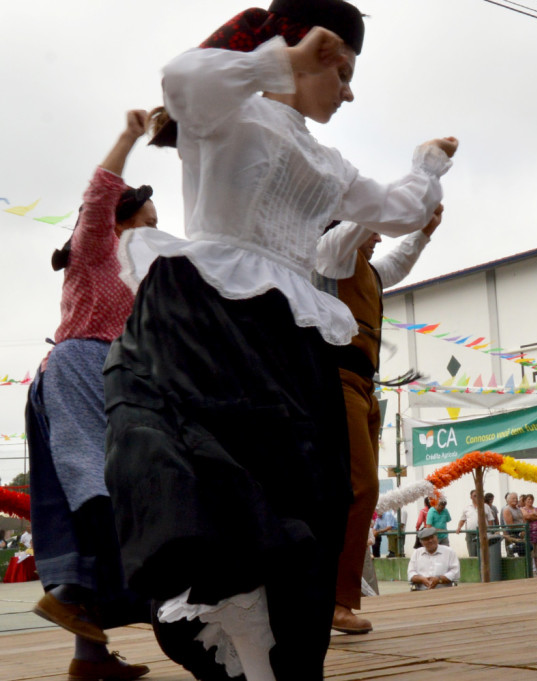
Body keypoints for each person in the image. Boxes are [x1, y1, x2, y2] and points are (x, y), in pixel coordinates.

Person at [104, 4, 459, 677]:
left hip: (289, 339)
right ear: (315, 52)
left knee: (308, 503)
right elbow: (182, 80)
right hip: (208, 316)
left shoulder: (329, 162)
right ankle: (226, 598)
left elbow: (400, 207)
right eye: (343, 72)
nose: (349, 90)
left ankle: (264, 641)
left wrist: (428, 163)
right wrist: (285, 59)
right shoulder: (229, 114)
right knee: (219, 476)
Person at [25, 111, 156, 681]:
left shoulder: (141, 278)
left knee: (105, 488)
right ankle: (75, 593)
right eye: (147, 222)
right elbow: (99, 193)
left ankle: (90, 656)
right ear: (119, 226)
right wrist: (128, 136)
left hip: (110, 378)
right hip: (78, 370)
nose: (156, 230)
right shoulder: (94, 251)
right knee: (98, 490)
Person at [314, 209, 443, 635]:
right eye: (372, 233)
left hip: (364, 390)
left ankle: (327, 598)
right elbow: (364, 223)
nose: (378, 241)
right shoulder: (332, 254)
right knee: (362, 487)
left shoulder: (366, 270)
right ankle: (336, 602)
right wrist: (395, 204)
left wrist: (423, 231)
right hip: (335, 383)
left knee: (353, 492)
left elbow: (398, 262)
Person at [520, 494, 537, 577]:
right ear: (525, 501)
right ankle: (530, 574)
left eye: (531, 499)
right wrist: (535, 515)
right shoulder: (522, 509)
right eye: (528, 499)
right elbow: (526, 516)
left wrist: (532, 515)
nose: (530, 501)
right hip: (529, 535)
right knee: (530, 555)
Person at [456, 490, 485, 558]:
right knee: (472, 555)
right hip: (470, 535)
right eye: (475, 496)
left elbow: (490, 520)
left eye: (478, 495)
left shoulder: (485, 507)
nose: (477, 497)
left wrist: (490, 530)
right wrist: (459, 527)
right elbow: (462, 520)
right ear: (471, 497)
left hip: (482, 534)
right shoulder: (467, 508)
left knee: (483, 555)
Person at [502, 492, 526, 557]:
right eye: (513, 498)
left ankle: (523, 566)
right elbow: (510, 525)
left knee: (524, 551)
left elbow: (523, 520)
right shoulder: (507, 509)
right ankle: (511, 548)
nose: (515, 500)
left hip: (521, 531)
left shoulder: (518, 509)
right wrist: (522, 527)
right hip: (512, 532)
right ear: (508, 500)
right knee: (527, 547)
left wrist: (523, 530)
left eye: (516, 498)